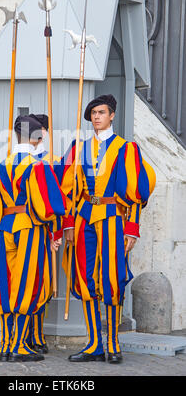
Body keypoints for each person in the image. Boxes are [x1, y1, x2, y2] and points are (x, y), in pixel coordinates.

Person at [59, 94, 156, 364]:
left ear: (112, 115)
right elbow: (69, 191)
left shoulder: (127, 149)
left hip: (113, 217)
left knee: (112, 279)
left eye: (101, 112)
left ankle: (113, 344)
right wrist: (68, 224)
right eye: (93, 114)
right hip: (83, 218)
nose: (97, 117)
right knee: (86, 278)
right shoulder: (79, 148)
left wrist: (132, 228)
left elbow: (136, 191)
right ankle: (94, 345)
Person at [0, 115, 66, 362]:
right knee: (28, 283)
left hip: (5, 228)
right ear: (37, 138)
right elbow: (51, 205)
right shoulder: (38, 167)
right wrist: (56, 232)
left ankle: (5, 345)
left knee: (6, 282)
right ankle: (19, 347)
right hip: (29, 227)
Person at [25, 113, 62, 354]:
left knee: (44, 282)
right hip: (24, 228)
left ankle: (37, 334)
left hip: (46, 228)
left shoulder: (54, 161)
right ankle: (24, 335)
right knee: (25, 281)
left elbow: (60, 200)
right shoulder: (22, 160)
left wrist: (57, 232)